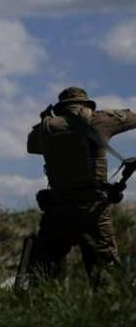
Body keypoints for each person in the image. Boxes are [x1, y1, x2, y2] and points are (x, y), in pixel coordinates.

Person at [27, 86, 136, 288]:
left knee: (44, 267)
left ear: (60, 108)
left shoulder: (47, 127)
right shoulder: (100, 120)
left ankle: (38, 309)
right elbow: (131, 117)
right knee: (105, 272)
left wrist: (46, 122)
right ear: (86, 104)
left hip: (58, 208)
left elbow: (31, 146)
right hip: (93, 208)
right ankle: (106, 313)